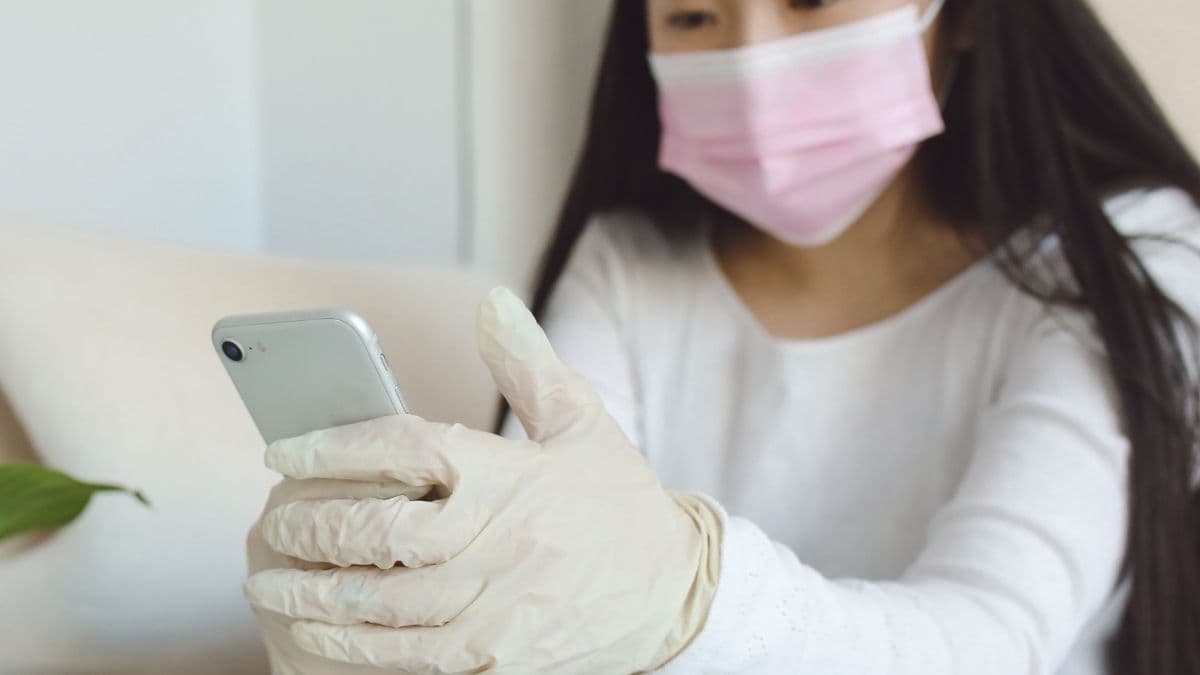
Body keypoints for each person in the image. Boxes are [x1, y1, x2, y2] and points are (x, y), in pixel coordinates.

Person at [242, 1, 1200, 673]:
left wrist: (687, 591)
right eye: (696, 17)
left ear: (964, 15)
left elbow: (990, 643)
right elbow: (550, 602)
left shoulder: (1136, 261)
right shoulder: (627, 262)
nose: (751, 62)